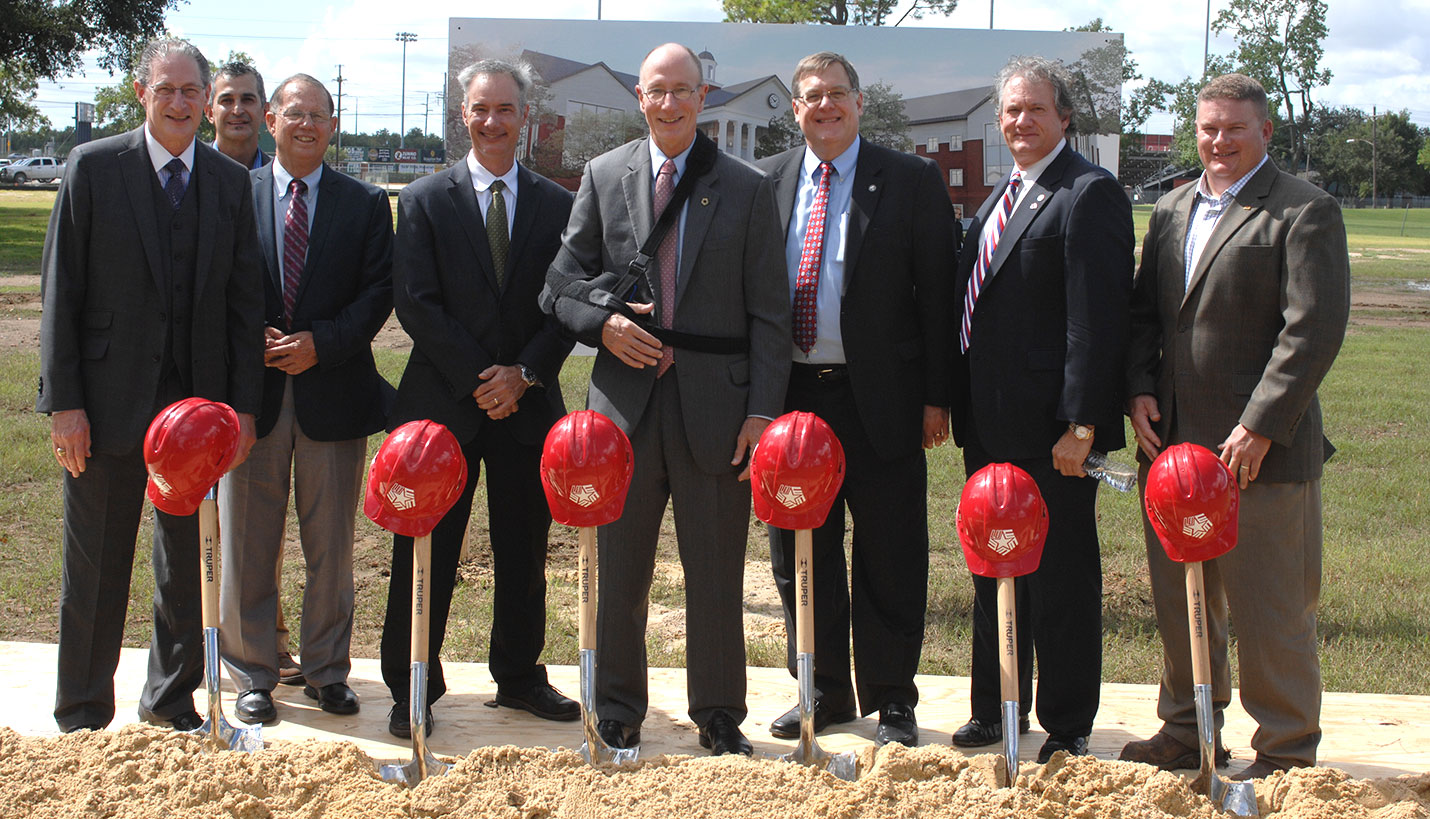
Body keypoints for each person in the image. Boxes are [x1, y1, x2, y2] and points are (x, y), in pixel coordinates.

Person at [543, 43, 789, 756]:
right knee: (619, 568)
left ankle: (718, 712)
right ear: (640, 99)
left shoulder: (743, 186)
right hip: (622, 409)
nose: (671, 103)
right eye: (658, 91)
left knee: (715, 568)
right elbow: (558, 285)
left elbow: (771, 314)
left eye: (684, 90)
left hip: (718, 405)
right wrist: (606, 323)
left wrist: (762, 414)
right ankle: (617, 705)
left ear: (703, 96)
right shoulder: (603, 174)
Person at [1119, 72, 1349, 781]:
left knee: (1271, 609)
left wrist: (1259, 425)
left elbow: (1310, 332)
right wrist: (1138, 390)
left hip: (1262, 456)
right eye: (1208, 128)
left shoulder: (1304, 211)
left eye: (1234, 129)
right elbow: (1146, 318)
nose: (1218, 141)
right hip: (1177, 452)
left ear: (1265, 132)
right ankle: (1188, 730)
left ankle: (1284, 751)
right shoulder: (1172, 208)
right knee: (1181, 600)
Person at [37, 37, 264, 733]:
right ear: (141, 93)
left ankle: (170, 702)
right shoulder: (94, 167)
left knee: (184, 570)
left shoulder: (229, 182)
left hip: (195, 416)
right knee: (96, 570)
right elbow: (60, 292)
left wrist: (244, 409)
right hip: (103, 411)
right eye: (165, 90)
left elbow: (242, 303)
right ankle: (81, 711)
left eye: (190, 91)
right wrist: (64, 404)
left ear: (205, 99)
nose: (179, 102)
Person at [755, 51, 956, 747]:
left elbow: (938, 293)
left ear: (860, 103)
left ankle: (892, 697)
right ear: (796, 109)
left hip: (884, 399)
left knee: (890, 549)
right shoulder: (770, 180)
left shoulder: (909, 179)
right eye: (811, 97)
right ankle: (823, 689)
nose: (825, 107)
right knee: (797, 552)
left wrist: (937, 396)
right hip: (791, 401)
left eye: (837, 94)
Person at [379, 58, 577, 739]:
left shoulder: (557, 204)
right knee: (424, 552)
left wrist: (522, 374)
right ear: (462, 115)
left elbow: (566, 304)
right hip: (443, 409)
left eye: (505, 109)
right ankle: (412, 685)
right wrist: (480, 378)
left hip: (527, 407)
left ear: (525, 117)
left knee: (525, 551)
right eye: (480, 108)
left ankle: (520, 676)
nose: (492, 120)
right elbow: (417, 303)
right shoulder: (426, 199)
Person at [949, 55, 1133, 762]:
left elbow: (1097, 320)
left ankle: (1065, 718)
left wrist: (1082, 424)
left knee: (1058, 576)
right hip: (990, 426)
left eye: (1035, 109)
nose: (1020, 120)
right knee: (992, 566)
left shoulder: (1088, 194)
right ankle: (997, 707)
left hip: (1054, 432)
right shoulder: (1004, 194)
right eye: (1011, 110)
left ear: (1064, 118)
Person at [217, 73, 394, 724]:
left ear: (333, 126)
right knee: (248, 543)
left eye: (320, 115)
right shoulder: (233, 195)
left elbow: (378, 294)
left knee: (331, 547)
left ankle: (326, 671)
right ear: (271, 119)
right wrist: (248, 333)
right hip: (251, 400)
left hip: (334, 394)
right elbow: (218, 284)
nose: (307, 124)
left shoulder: (367, 204)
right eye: (295, 113)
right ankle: (255, 673)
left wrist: (322, 342)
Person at [207, 61, 271, 170]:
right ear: (210, 113)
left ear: (264, 112)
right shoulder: (188, 171)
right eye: (227, 101)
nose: (237, 111)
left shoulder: (280, 178)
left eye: (247, 100)